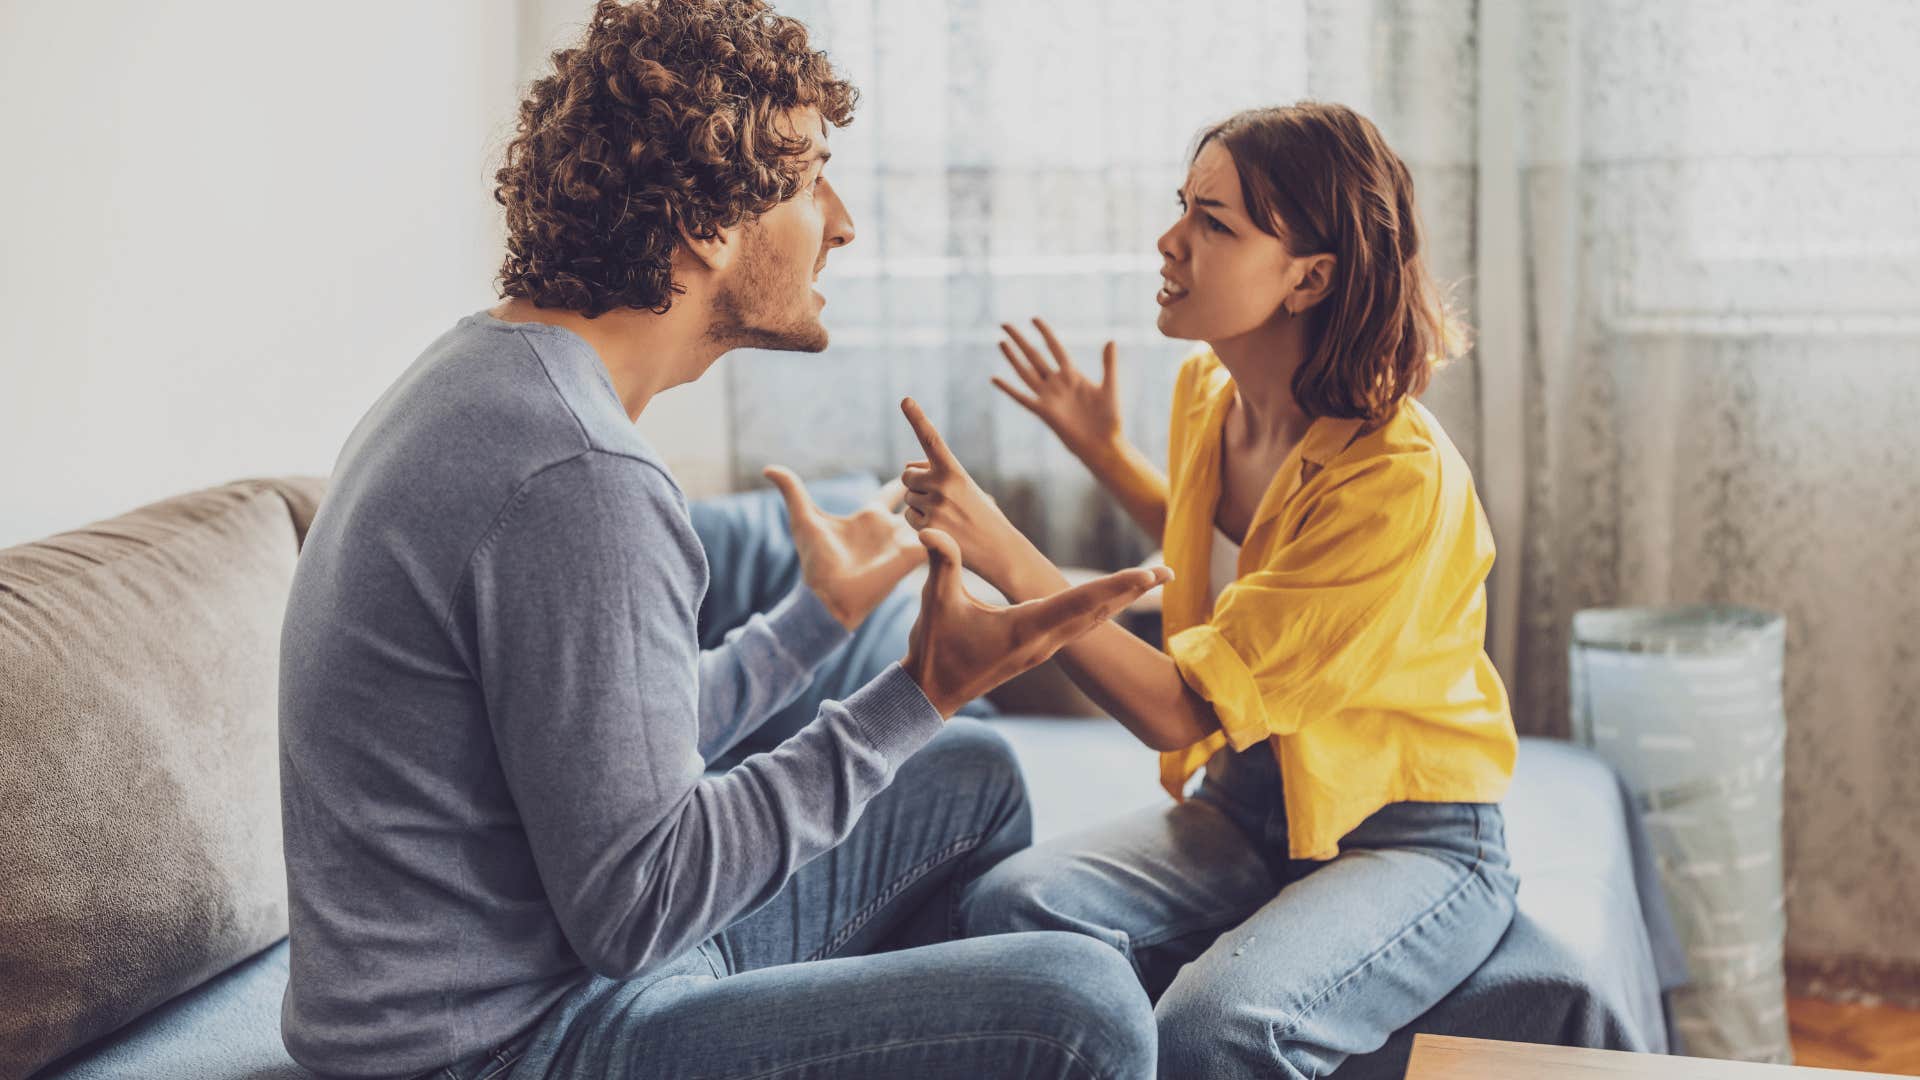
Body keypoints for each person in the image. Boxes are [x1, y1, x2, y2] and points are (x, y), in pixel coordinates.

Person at [277, 2, 1167, 1077]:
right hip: (509, 1048)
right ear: (705, 221)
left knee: (971, 777)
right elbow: (638, 904)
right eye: (808, 180)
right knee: (1084, 1010)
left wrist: (815, 623)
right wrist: (916, 690)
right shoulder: (580, 476)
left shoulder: (492, 378)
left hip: (560, 978)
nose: (840, 222)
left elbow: (598, 750)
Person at [896, 102, 1522, 1079]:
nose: (1169, 238)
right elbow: (1241, 564)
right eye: (1183, 207)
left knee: (1214, 1029)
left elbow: (1182, 708)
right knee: (1007, 912)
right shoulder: (1210, 395)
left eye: (1215, 222)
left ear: (1309, 276)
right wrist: (1106, 452)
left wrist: (1005, 552)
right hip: (1246, 807)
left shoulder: (1394, 480)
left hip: (1408, 837)